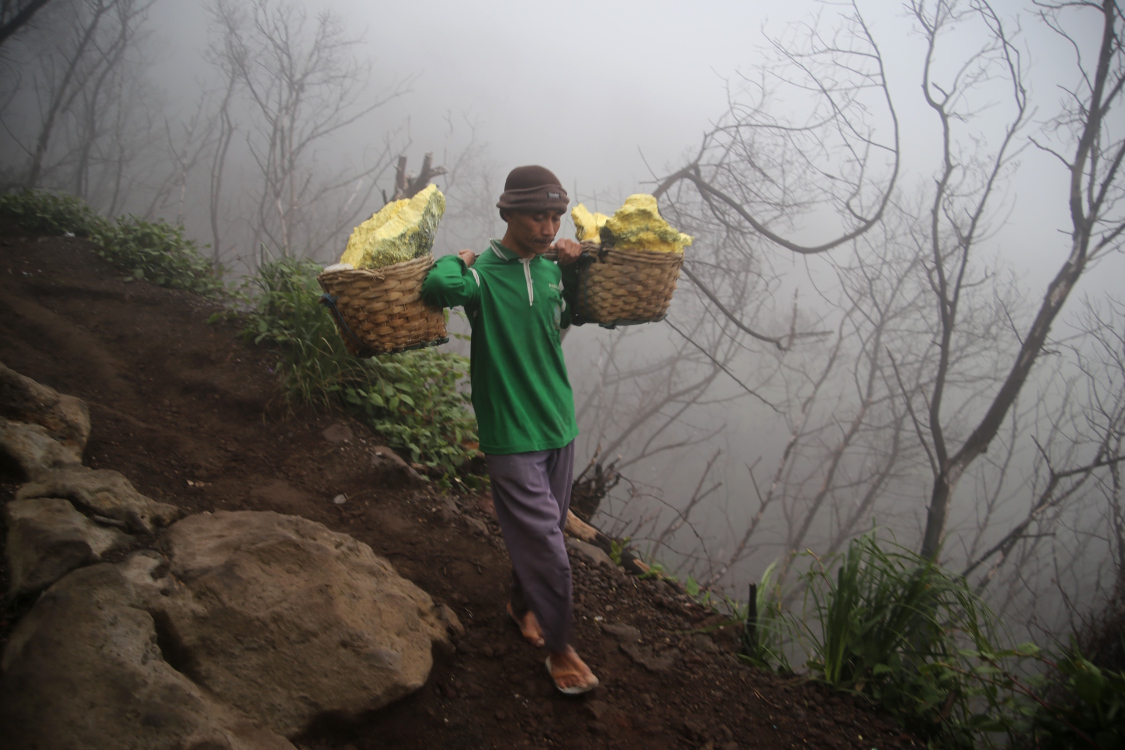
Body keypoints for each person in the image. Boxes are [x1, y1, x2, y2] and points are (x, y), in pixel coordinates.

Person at [421, 165, 598, 695]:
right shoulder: (481, 277)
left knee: (539, 532)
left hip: (557, 421)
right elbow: (436, 285)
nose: (548, 228)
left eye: (555, 217)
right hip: (510, 430)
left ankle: (520, 606)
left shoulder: (548, 271)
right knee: (547, 540)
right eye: (536, 216)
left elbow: (580, 313)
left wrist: (569, 266)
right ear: (507, 213)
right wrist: (461, 257)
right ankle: (560, 647)